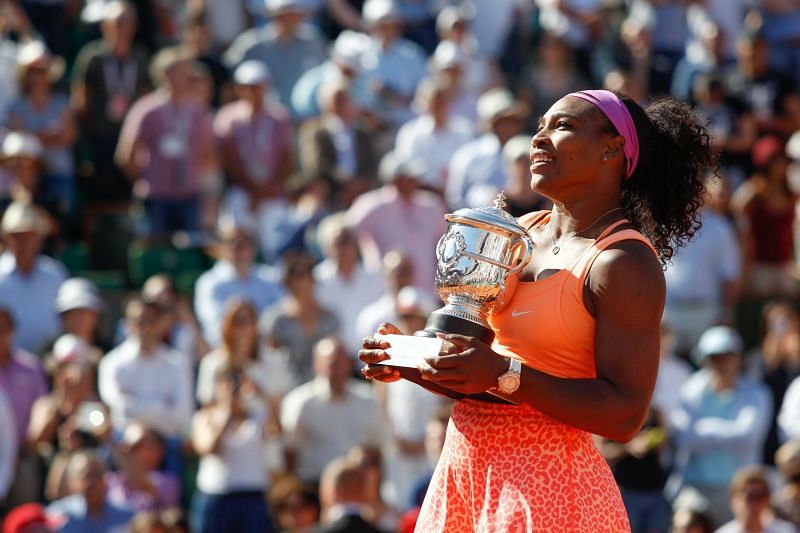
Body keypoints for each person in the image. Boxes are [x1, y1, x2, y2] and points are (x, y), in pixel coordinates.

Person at [360, 88, 716, 530]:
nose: (538, 140)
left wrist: (503, 373)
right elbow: (483, 376)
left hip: (550, 487)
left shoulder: (623, 263)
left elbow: (624, 416)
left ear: (612, 149)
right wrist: (412, 360)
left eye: (561, 126)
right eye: (540, 127)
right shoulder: (520, 232)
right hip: (465, 470)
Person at [668, 326, 772, 526]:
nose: (721, 363)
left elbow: (748, 437)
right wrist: (728, 431)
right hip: (696, 489)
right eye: (714, 357)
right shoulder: (690, 390)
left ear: (738, 358)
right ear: (704, 359)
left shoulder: (758, 393)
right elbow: (684, 438)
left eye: (727, 356)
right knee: (684, 524)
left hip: (741, 493)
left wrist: (703, 430)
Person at [280, 336, 385, 485]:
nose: (336, 370)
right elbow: (289, 451)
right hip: (312, 486)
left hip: (356, 486)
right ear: (316, 365)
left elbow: (378, 447)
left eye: (341, 363)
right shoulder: (299, 402)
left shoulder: (367, 400)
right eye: (332, 364)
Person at [46, 449, 135, 532]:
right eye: (87, 475)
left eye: (98, 474)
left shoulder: (125, 516)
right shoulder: (57, 515)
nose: (93, 481)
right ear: (72, 481)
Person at [715, 465, 796, 533]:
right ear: (733, 500)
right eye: (749, 497)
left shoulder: (785, 530)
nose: (755, 503)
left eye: (761, 496)